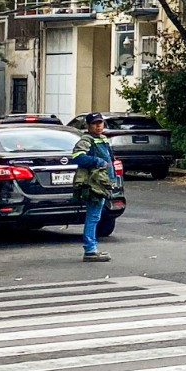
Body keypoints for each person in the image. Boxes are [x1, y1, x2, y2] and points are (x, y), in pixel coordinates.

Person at [72, 112, 116, 263]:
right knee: (93, 216)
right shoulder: (87, 140)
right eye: (95, 124)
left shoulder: (103, 139)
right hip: (93, 184)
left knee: (95, 216)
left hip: (102, 183)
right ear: (88, 125)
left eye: (100, 123)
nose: (98, 126)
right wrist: (97, 161)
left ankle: (91, 248)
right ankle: (90, 250)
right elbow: (77, 157)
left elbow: (110, 160)